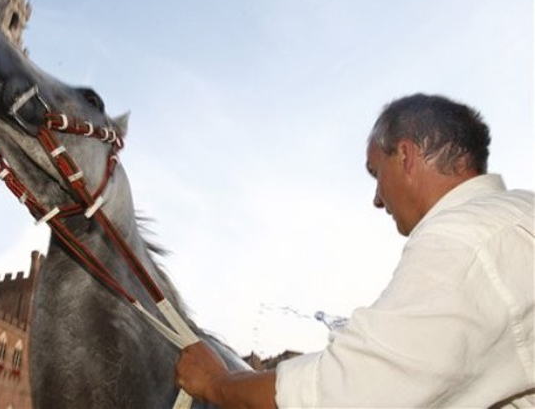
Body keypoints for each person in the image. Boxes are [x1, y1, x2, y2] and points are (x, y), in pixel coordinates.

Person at [175, 93, 534, 408]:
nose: (377, 199)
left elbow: (347, 394)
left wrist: (217, 384)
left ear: (406, 156)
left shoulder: (461, 240)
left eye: (376, 173)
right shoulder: (515, 215)